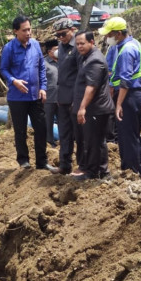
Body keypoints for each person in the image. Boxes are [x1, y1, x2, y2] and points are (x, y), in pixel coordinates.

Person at [0, 15, 58, 172]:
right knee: (20, 130)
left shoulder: (35, 46)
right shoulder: (9, 48)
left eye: (29, 29)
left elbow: (41, 68)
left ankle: (41, 161)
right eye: (25, 30)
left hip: (35, 95)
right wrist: (14, 81)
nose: (28, 33)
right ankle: (23, 161)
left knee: (41, 128)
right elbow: (3, 69)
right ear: (16, 31)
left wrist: (43, 87)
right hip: (17, 98)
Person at [100, 17, 141, 182]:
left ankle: (135, 170)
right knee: (127, 134)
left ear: (119, 34)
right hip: (133, 94)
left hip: (129, 95)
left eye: (109, 35)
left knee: (128, 135)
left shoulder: (126, 50)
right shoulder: (132, 44)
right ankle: (131, 168)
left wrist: (119, 104)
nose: (107, 38)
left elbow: (125, 80)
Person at [73, 30, 114, 181]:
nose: (79, 47)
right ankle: (97, 171)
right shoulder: (86, 57)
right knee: (92, 141)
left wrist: (82, 107)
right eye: (77, 44)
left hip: (97, 108)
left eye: (82, 43)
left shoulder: (95, 60)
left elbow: (91, 87)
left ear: (92, 42)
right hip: (93, 108)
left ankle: (98, 172)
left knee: (95, 142)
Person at [53, 18, 84, 175]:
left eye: (63, 34)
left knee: (79, 135)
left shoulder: (79, 47)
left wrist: (78, 100)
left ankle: (82, 166)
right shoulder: (61, 46)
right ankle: (64, 165)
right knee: (64, 133)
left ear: (72, 29)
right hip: (63, 98)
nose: (60, 38)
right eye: (57, 35)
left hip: (75, 99)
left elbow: (81, 75)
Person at [43, 39, 59, 147]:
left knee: (63, 121)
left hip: (62, 98)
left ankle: (64, 141)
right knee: (48, 121)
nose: (59, 51)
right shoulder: (44, 63)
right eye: (56, 49)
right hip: (49, 98)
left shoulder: (63, 61)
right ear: (50, 52)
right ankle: (49, 142)